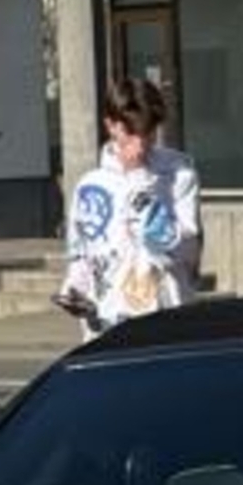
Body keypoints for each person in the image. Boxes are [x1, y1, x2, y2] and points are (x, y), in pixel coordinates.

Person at [62, 76, 204, 328]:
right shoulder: (91, 186)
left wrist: (140, 178)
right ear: (111, 126)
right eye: (130, 132)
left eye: (147, 133)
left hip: (165, 315)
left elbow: (184, 247)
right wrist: (75, 290)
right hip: (106, 321)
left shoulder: (179, 175)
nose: (140, 144)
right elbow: (81, 252)